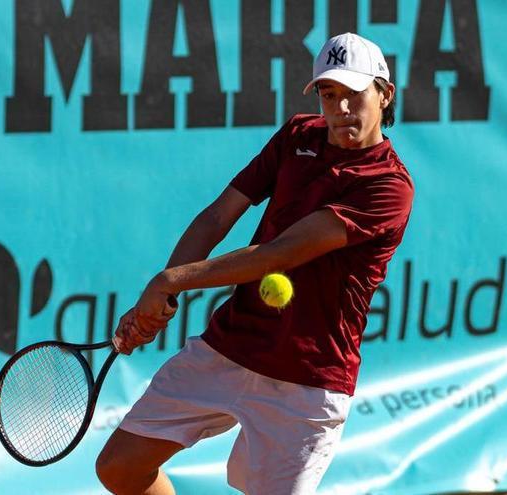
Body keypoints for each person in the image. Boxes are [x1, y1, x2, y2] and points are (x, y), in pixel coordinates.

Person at [96, 32, 414, 495]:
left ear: (384, 95)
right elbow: (219, 214)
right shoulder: (297, 136)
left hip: (308, 378)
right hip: (234, 343)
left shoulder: (388, 186)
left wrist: (169, 280)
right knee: (120, 467)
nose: (341, 109)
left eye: (354, 95)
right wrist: (162, 296)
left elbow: (278, 254)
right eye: (330, 95)